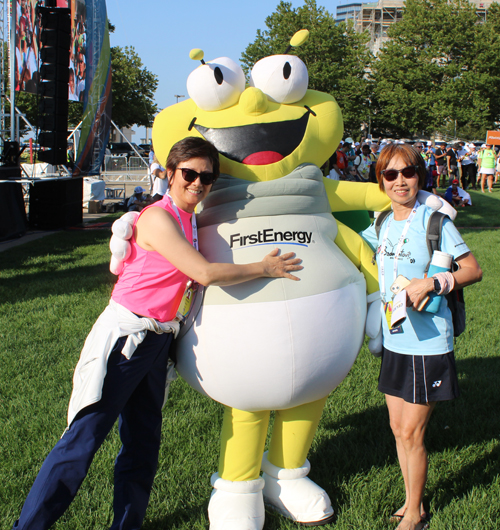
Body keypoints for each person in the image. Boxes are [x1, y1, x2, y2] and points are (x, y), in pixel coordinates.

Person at [11, 137, 303, 530]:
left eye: (207, 177)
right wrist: (263, 268)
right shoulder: (158, 218)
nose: (198, 183)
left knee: (143, 442)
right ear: (169, 173)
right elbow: (203, 273)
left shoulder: (189, 219)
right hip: (127, 341)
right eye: (190, 174)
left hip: (157, 341)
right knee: (82, 441)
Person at [361, 143, 482, 530]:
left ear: (420, 177)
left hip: (428, 344)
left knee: (412, 432)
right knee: (398, 429)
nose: (400, 181)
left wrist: (434, 281)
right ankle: (410, 499)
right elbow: (356, 250)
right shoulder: (381, 223)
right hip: (395, 339)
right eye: (390, 174)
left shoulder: (436, 222)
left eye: (408, 173)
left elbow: (473, 269)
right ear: (380, 180)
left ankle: (415, 512)